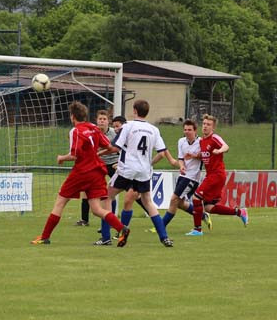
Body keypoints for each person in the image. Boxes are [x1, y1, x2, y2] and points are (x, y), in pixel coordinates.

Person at [31, 101, 130, 247]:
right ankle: (122, 228)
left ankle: (45, 237)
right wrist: (96, 154)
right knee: (96, 209)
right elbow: (111, 147)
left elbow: (75, 155)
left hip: (82, 172)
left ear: (72, 117)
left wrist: (61, 158)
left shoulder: (76, 131)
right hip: (97, 172)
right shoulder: (94, 129)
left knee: (60, 202)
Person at [99, 99, 178, 247]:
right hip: (143, 171)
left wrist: (97, 154)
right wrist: (172, 160)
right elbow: (162, 150)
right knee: (148, 202)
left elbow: (115, 148)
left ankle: (106, 237)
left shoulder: (128, 126)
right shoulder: (154, 130)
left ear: (135, 110)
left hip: (127, 169)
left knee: (107, 197)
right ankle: (164, 237)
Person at [189, 114, 248, 235]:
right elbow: (204, 155)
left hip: (216, 175)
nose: (205, 126)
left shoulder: (214, 138)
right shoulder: (202, 141)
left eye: (208, 125)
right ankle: (240, 212)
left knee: (196, 198)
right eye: (204, 124)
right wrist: (194, 156)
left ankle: (197, 229)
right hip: (213, 175)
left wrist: (219, 150)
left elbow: (226, 146)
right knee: (209, 207)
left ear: (213, 128)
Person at [160, 119, 212, 234]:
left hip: (192, 177)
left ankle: (161, 226)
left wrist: (193, 155)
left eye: (189, 130)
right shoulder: (181, 141)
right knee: (180, 203)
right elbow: (180, 158)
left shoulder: (201, 142)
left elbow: (205, 157)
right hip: (183, 175)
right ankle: (202, 215)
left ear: (195, 131)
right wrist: (182, 166)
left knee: (174, 199)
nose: (187, 132)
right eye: (185, 130)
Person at [75, 110, 118, 226]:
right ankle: (84, 220)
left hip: (114, 163)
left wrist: (120, 162)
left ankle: (111, 218)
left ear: (108, 121)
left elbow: (120, 148)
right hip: (98, 164)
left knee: (121, 190)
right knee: (86, 190)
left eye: (104, 119)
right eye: (100, 119)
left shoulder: (114, 133)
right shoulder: (92, 133)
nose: (102, 121)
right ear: (96, 121)